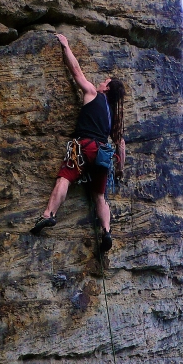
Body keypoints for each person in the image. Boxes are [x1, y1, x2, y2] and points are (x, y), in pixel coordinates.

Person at [32, 33, 126, 252]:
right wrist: (120, 169)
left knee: (64, 178)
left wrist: (65, 46)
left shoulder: (93, 93)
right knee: (100, 196)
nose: (102, 81)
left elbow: (76, 72)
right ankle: (106, 230)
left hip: (84, 147)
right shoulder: (112, 116)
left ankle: (48, 215)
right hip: (103, 154)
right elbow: (120, 144)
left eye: (106, 81)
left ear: (107, 89)